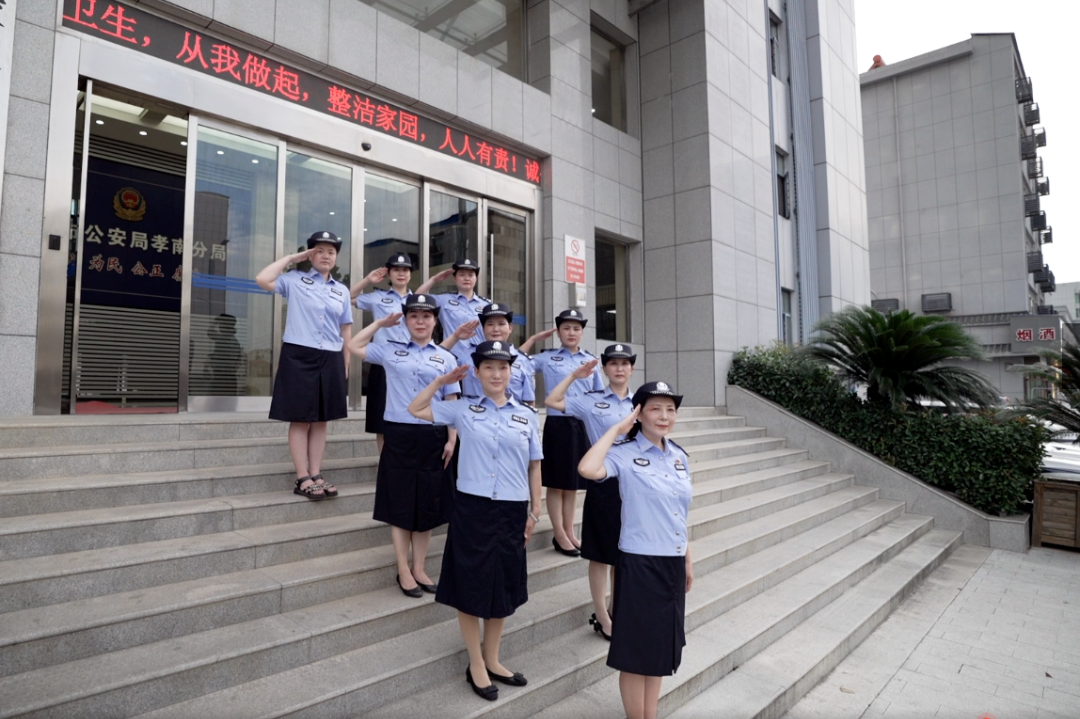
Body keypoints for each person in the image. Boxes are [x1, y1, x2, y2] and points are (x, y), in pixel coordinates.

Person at [407, 341, 543, 703]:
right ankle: (475, 662)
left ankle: (493, 657)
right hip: (472, 508)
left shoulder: (527, 415)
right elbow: (414, 408)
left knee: (503, 585)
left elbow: (535, 465)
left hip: (512, 510)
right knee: (470, 586)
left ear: (511, 372)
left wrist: (535, 509)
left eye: (503, 367)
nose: (497, 374)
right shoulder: (463, 409)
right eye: (489, 368)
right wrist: (442, 382)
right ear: (478, 372)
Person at [577, 382, 693, 719]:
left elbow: (679, 513)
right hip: (639, 563)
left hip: (672, 563)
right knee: (634, 653)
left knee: (659, 650)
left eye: (670, 409)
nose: (664, 416)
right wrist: (616, 429)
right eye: (655, 409)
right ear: (638, 414)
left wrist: (687, 558)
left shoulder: (679, 456)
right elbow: (587, 469)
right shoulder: (624, 454)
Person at [348, 294, 470, 598]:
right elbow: (353, 346)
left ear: (435, 321)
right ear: (405, 320)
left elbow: (451, 399)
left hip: (434, 436)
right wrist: (379, 322)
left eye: (426, 316)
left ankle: (419, 567)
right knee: (400, 504)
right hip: (399, 434)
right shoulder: (391, 350)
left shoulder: (445, 357)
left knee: (427, 505)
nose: (420, 321)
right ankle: (403, 569)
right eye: (414, 316)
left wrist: (452, 438)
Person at [543, 344, 636, 640]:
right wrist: (574, 376)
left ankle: (616, 608)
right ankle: (602, 615)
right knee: (600, 555)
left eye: (625, 363)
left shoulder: (641, 402)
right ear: (604, 369)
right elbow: (552, 400)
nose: (619, 368)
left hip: (633, 485)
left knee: (623, 553)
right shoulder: (590, 400)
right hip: (603, 484)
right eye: (613, 364)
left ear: (632, 368)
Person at [255, 231, 352, 501]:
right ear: (310, 254)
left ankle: (316, 473)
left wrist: (345, 361)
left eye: (331, 252)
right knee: (300, 418)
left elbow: (345, 328)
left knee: (321, 419)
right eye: (319, 251)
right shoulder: (294, 280)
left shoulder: (341, 290)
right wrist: (290, 259)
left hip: (331, 356)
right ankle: (302, 477)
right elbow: (262, 279)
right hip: (299, 354)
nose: (326, 256)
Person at [531, 309, 604, 556]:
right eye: (566, 328)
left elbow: (598, 397)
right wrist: (534, 340)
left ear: (582, 332)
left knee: (572, 483)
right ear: (558, 331)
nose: (571, 333)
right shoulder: (547, 358)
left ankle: (570, 531)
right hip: (558, 425)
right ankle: (559, 534)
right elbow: (516, 362)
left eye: (576, 328)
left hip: (581, 425)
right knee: (557, 483)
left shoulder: (591, 360)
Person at [350, 253, 424, 454]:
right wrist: (368, 280)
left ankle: (406, 462)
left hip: (410, 365)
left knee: (411, 417)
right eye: (396, 270)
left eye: (405, 270)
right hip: (383, 364)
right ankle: (385, 464)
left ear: (410, 274)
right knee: (381, 421)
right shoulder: (377, 297)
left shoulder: (417, 301)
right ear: (389, 274)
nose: (401, 274)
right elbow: (347, 297)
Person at [441, 302, 538, 404]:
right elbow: (435, 355)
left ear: (510, 328)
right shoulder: (467, 355)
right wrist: (455, 337)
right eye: (490, 324)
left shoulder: (524, 361)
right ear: (483, 329)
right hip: (473, 412)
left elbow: (529, 401)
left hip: (510, 412)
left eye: (501, 324)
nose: (495, 329)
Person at [425, 258, 488, 350]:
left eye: (471, 275)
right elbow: (418, 298)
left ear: (476, 278)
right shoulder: (444, 300)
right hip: (452, 356)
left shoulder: (486, 304)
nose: (466, 278)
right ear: (454, 278)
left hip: (478, 356)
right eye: (462, 275)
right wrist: (434, 279)